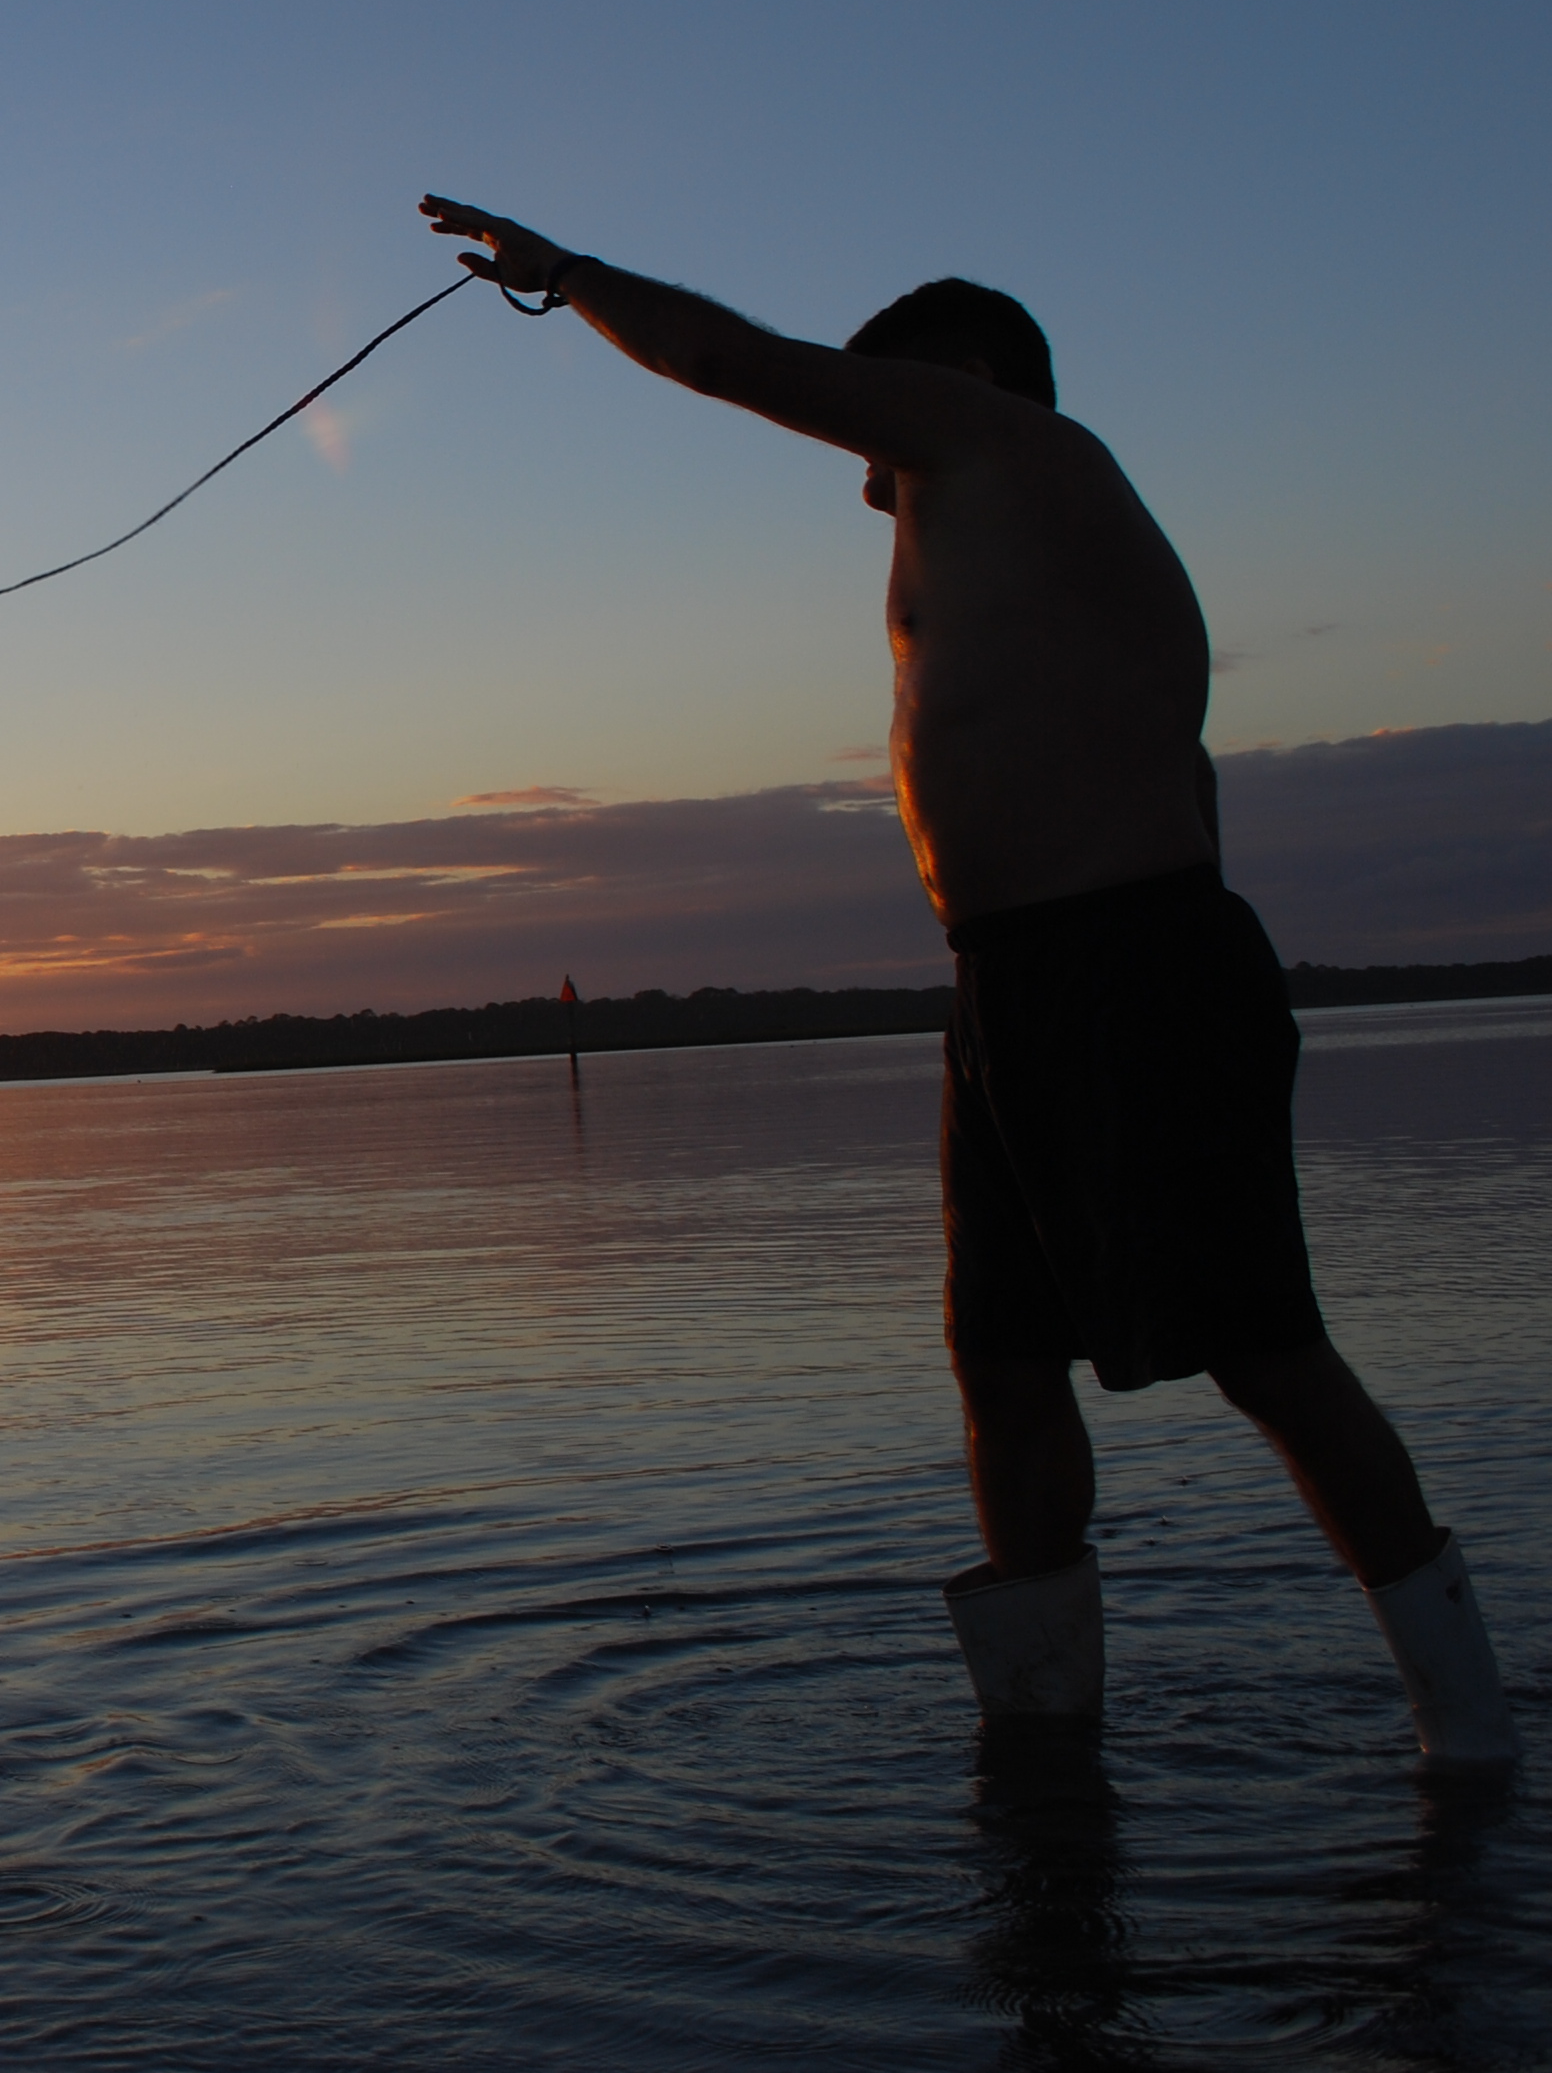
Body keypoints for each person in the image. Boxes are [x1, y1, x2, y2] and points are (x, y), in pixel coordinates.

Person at [416, 195, 1514, 1764]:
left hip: (1131, 964)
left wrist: (563, 274)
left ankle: (1467, 1736)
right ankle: (1045, 1746)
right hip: (1012, 983)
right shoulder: (991, 519)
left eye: (885, 408)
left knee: (1264, 1350)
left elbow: (732, 360)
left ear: (973, 380)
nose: (863, 467)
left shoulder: (1009, 448)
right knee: (1000, 1358)